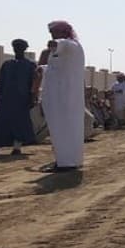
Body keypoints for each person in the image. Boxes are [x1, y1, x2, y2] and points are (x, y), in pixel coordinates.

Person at [41, 21, 86, 170]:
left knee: (66, 128)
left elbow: (58, 43)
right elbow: (55, 69)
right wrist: (42, 69)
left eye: (55, 32)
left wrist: (54, 43)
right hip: (57, 96)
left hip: (66, 97)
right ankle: (63, 160)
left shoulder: (70, 45)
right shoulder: (64, 50)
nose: (52, 35)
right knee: (58, 129)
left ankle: (67, 162)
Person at [0, 39, 37, 156]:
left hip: (22, 100)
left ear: (24, 49)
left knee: (20, 124)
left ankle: (17, 148)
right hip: (6, 99)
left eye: (20, 46)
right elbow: (1, 82)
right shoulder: (7, 64)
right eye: (16, 46)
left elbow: (34, 84)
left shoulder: (31, 65)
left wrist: (33, 98)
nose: (17, 48)